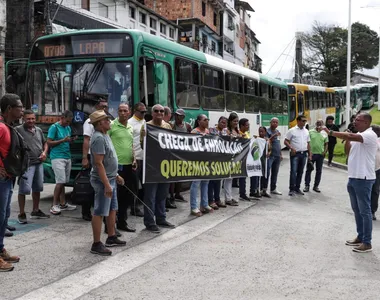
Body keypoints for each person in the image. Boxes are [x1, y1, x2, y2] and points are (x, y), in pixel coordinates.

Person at [324, 113, 377, 253]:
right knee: (357, 210)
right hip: (353, 177)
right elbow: (348, 151)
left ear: (366, 122)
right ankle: (360, 236)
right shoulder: (358, 134)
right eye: (355, 120)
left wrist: (331, 132)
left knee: (365, 211)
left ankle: (367, 242)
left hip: (363, 178)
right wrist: (347, 139)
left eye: (358, 120)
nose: (355, 122)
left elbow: (351, 137)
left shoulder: (369, 135)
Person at [89, 110, 126, 256]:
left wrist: (115, 175)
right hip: (102, 180)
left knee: (112, 209)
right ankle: (96, 243)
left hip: (110, 178)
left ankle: (111, 236)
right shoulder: (98, 138)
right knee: (99, 211)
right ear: (100, 123)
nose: (109, 122)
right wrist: (106, 184)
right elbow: (99, 164)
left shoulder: (105, 135)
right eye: (106, 120)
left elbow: (108, 158)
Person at [140, 104, 175, 233]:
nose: (159, 113)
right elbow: (143, 145)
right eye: (156, 111)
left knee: (162, 194)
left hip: (165, 165)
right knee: (150, 196)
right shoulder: (146, 126)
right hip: (151, 166)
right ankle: (149, 222)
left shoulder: (167, 126)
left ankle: (161, 218)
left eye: (162, 111)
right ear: (152, 113)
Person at [0, 94, 23, 272]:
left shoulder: (9, 126)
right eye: (19, 107)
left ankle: (0, 249)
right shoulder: (1, 127)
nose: (22, 110)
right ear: (9, 109)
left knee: (5, 215)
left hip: (7, 178)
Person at [16, 110, 49, 224]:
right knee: (24, 189)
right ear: (23, 119)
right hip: (26, 165)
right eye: (28, 119)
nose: (31, 121)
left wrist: (44, 153)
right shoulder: (18, 130)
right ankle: (21, 213)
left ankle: (35, 210)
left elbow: (45, 143)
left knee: (38, 187)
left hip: (39, 163)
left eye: (33, 119)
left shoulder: (38, 130)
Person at [109, 103, 137, 233]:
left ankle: (122, 222)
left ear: (129, 112)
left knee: (126, 197)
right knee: (114, 198)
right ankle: (109, 226)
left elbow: (131, 145)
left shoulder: (130, 127)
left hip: (128, 166)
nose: (122, 113)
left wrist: (134, 158)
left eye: (125, 111)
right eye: (120, 111)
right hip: (116, 167)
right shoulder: (112, 126)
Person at [81, 98, 109, 221]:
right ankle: (86, 212)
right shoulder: (90, 122)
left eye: (106, 107)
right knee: (90, 186)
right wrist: (84, 158)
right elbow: (86, 140)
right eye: (102, 106)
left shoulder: (106, 122)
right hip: (91, 156)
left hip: (101, 155)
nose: (104, 109)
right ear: (97, 106)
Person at [47, 110, 77, 215]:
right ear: (62, 117)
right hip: (57, 157)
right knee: (60, 181)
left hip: (67, 156)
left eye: (69, 122)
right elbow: (49, 143)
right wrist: (62, 140)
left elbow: (66, 140)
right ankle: (54, 205)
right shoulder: (54, 127)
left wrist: (71, 140)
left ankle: (63, 203)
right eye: (66, 121)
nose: (68, 124)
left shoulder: (67, 128)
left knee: (63, 181)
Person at [189, 114, 213, 217]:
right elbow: (190, 145)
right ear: (199, 122)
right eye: (204, 120)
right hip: (197, 161)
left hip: (206, 161)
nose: (207, 121)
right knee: (195, 183)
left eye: (207, 119)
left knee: (205, 182)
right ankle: (193, 207)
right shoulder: (194, 132)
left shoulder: (208, 132)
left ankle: (204, 204)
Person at [284, 115, 311, 196]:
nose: (304, 122)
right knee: (293, 172)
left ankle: (297, 188)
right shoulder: (292, 130)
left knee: (300, 172)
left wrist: (310, 154)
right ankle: (291, 189)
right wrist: (291, 148)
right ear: (298, 121)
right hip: (295, 154)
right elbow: (286, 141)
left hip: (304, 154)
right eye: (303, 121)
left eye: (305, 121)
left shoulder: (306, 131)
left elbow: (308, 143)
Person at [169, 108, 191, 204]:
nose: (178, 117)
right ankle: (172, 195)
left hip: (183, 152)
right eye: (176, 115)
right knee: (173, 175)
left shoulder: (187, 126)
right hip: (174, 152)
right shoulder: (171, 125)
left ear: (183, 117)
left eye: (180, 116)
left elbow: (190, 137)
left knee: (180, 175)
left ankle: (178, 193)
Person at [128, 102, 146, 217]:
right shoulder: (130, 123)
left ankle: (142, 205)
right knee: (134, 185)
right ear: (135, 111)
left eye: (145, 112)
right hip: (136, 158)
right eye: (142, 112)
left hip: (145, 157)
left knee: (144, 184)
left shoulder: (144, 122)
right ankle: (133, 208)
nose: (144, 114)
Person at [303, 119, 328, 193]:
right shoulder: (310, 132)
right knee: (309, 170)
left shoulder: (324, 133)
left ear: (323, 124)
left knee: (319, 171)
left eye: (321, 123)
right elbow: (307, 142)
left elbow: (326, 143)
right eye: (318, 123)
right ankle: (306, 185)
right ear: (315, 124)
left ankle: (316, 186)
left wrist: (325, 151)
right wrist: (309, 152)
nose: (319, 125)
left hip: (320, 154)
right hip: (311, 154)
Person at [208, 117, 227, 209]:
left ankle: (217, 199)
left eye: (225, 123)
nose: (223, 124)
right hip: (212, 158)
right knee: (211, 181)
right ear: (218, 122)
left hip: (221, 159)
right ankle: (210, 200)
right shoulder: (212, 130)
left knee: (218, 181)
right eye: (222, 122)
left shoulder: (225, 132)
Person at [224, 113, 241, 206]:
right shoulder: (226, 130)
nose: (236, 123)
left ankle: (229, 197)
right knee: (227, 177)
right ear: (230, 121)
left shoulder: (236, 131)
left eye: (237, 121)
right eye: (234, 121)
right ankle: (227, 198)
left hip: (234, 157)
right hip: (227, 157)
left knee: (230, 178)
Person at [265, 117, 282, 195]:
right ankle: (264, 188)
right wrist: (274, 135)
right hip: (270, 155)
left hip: (277, 155)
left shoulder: (277, 131)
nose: (275, 123)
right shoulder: (267, 131)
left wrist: (281, 154)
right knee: (267, 172)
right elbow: (267, 141)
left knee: (275, 172)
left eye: (276, 122)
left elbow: (279, 143)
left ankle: (273, 188)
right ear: (270, 123)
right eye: (273, 122)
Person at [238, 118, 251, 201]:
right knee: (242, 176)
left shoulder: (247, 133)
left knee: (244, 176)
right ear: (242, 126)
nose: (248, 126)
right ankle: (242, 193)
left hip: (246, 157)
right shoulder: (239, 134)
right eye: (247, 125)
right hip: (240, 158)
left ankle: (243, 193)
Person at [370, 125, 380, 221]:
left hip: (377, 170)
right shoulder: (368, 138)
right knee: (365, 190)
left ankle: (372, 211)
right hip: (367, 169)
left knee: (375, 191)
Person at [259, 126, 271, 198]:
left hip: (265, 159)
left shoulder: (267, 140)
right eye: (259, 131)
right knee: (260, 174)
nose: (261, 133)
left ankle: (264, 189)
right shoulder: (257, 139)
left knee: (266, 174)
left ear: (265, 132)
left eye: (262, 131)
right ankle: (259, 189)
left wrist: (269, 152)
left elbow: (270, 149)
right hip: (259, 159)